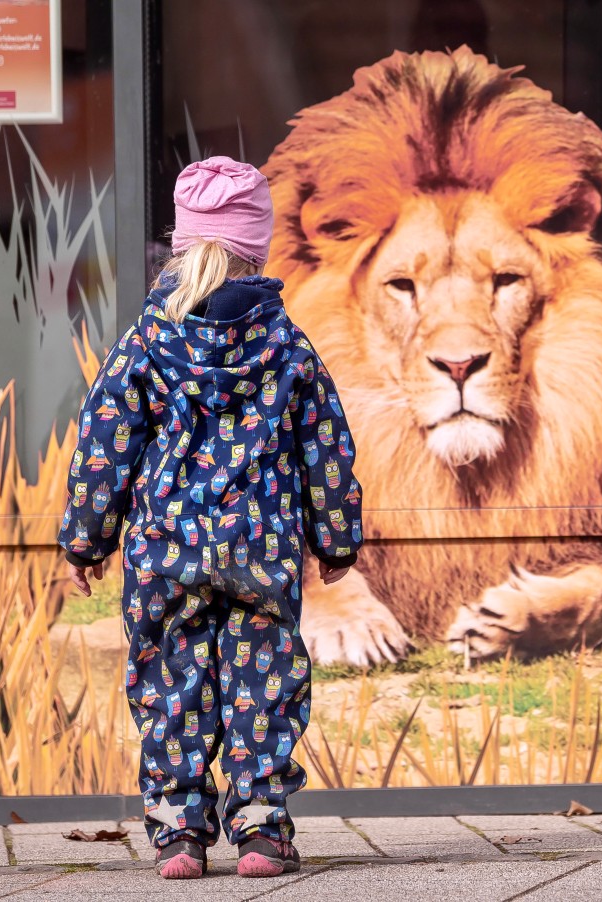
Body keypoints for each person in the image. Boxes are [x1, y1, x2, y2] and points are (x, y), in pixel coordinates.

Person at [58, 156, 362, 879]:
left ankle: (179, 832)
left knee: (171, 683)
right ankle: (260, 830)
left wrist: (87, 540)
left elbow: (104, 444)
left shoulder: (146, 342)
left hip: (166, 550)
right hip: (261, 549)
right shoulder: (287, 344)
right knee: (264, 684)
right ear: (258, 249)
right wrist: (338, 540)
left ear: (186, 244)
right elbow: (325, 446)